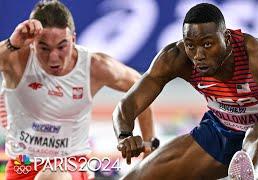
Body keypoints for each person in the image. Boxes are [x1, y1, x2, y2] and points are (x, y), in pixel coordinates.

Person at [112, 3, 258, 180]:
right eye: (190, 45)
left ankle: (247, 174)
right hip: (222, 131)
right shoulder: (176, 58)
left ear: (227, 38)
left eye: (207, 44)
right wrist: (124, 135)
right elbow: (127, 105)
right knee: (135, 177)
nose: (198, 55)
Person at [0, 1, 156, 180]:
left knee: (51, 176)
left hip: (70, 166)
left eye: (61, 46)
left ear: (73, 39)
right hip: (23, 165)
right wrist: (11, 44)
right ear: (33, 43)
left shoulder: (93, 67)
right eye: (44, 48)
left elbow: (143, 87)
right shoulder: (15, 59)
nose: (53, 58)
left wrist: (149, 147)